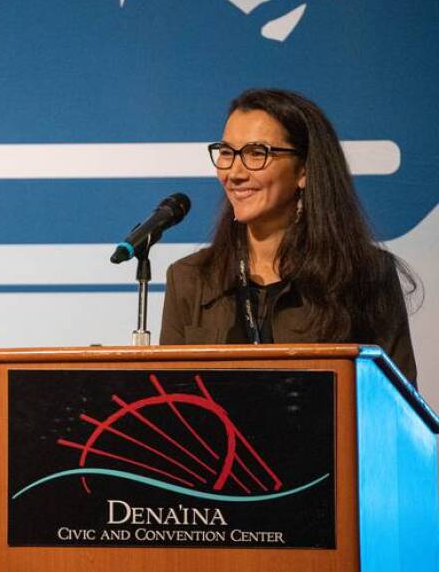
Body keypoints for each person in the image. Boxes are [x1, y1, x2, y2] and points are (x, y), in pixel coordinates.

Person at [160, 88, 418, 385]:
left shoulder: (366, 275)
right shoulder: (190, 279)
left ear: (304, 170)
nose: (234, 172)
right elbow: (171, 402)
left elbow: (395, 410)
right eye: (227, 153)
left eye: (257, 153)